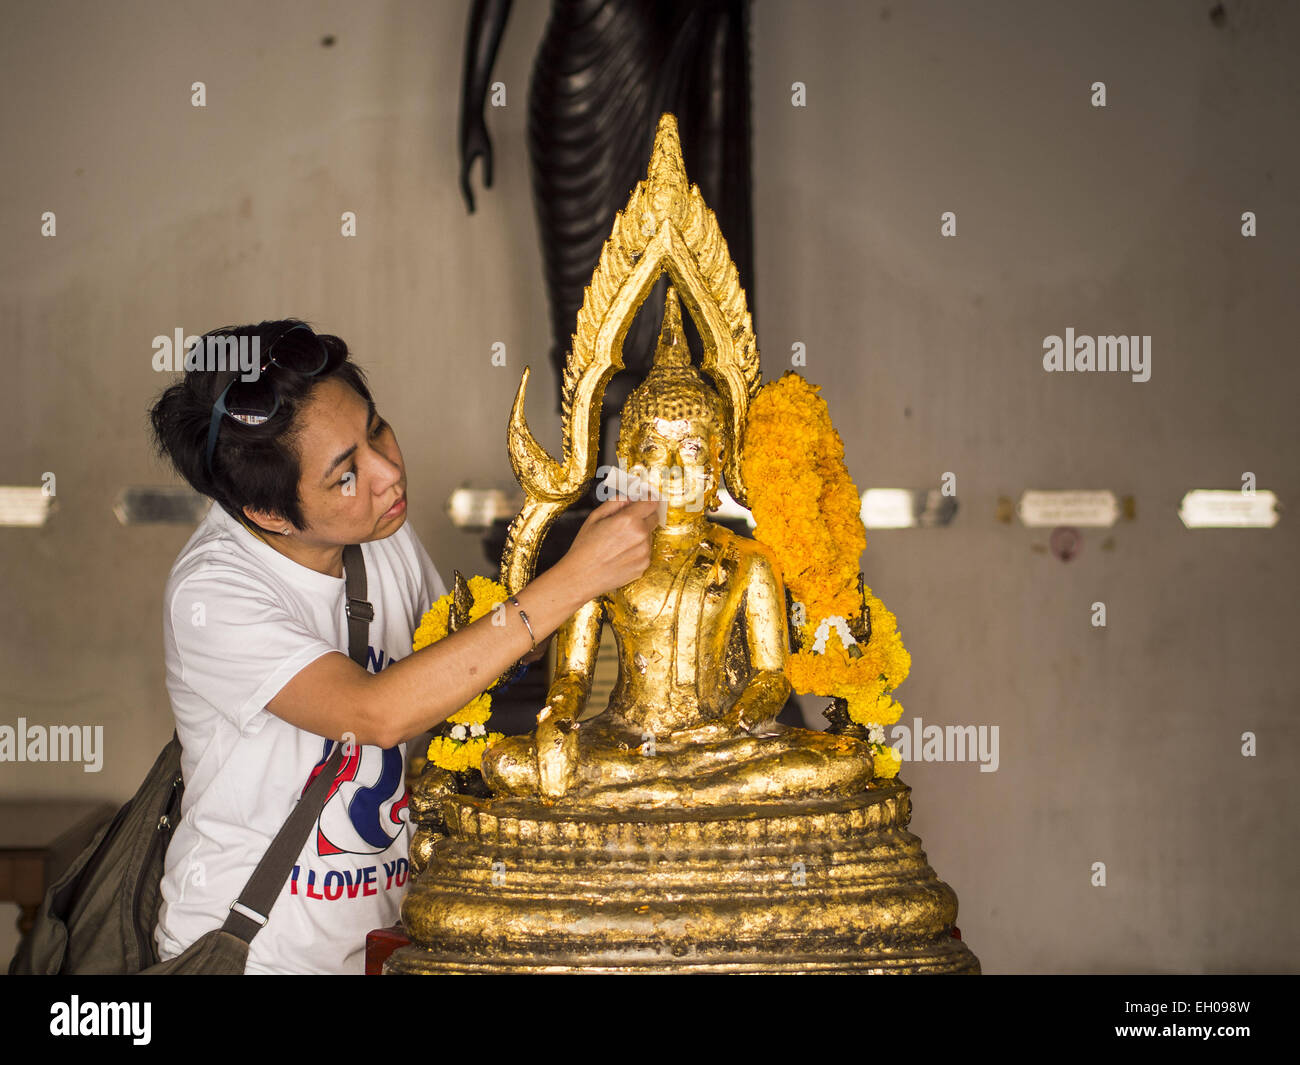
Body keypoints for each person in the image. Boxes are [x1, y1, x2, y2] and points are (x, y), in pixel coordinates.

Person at [146, 318, 657, 974]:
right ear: (269, 514)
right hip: (256, 958)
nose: (388, 471)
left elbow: (452, 666)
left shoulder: (380, 533)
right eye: (345, 474)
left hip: (381, 946)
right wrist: (576, 577)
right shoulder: (214, 590)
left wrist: (584, 582)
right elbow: (377, 712)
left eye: (377, 427)